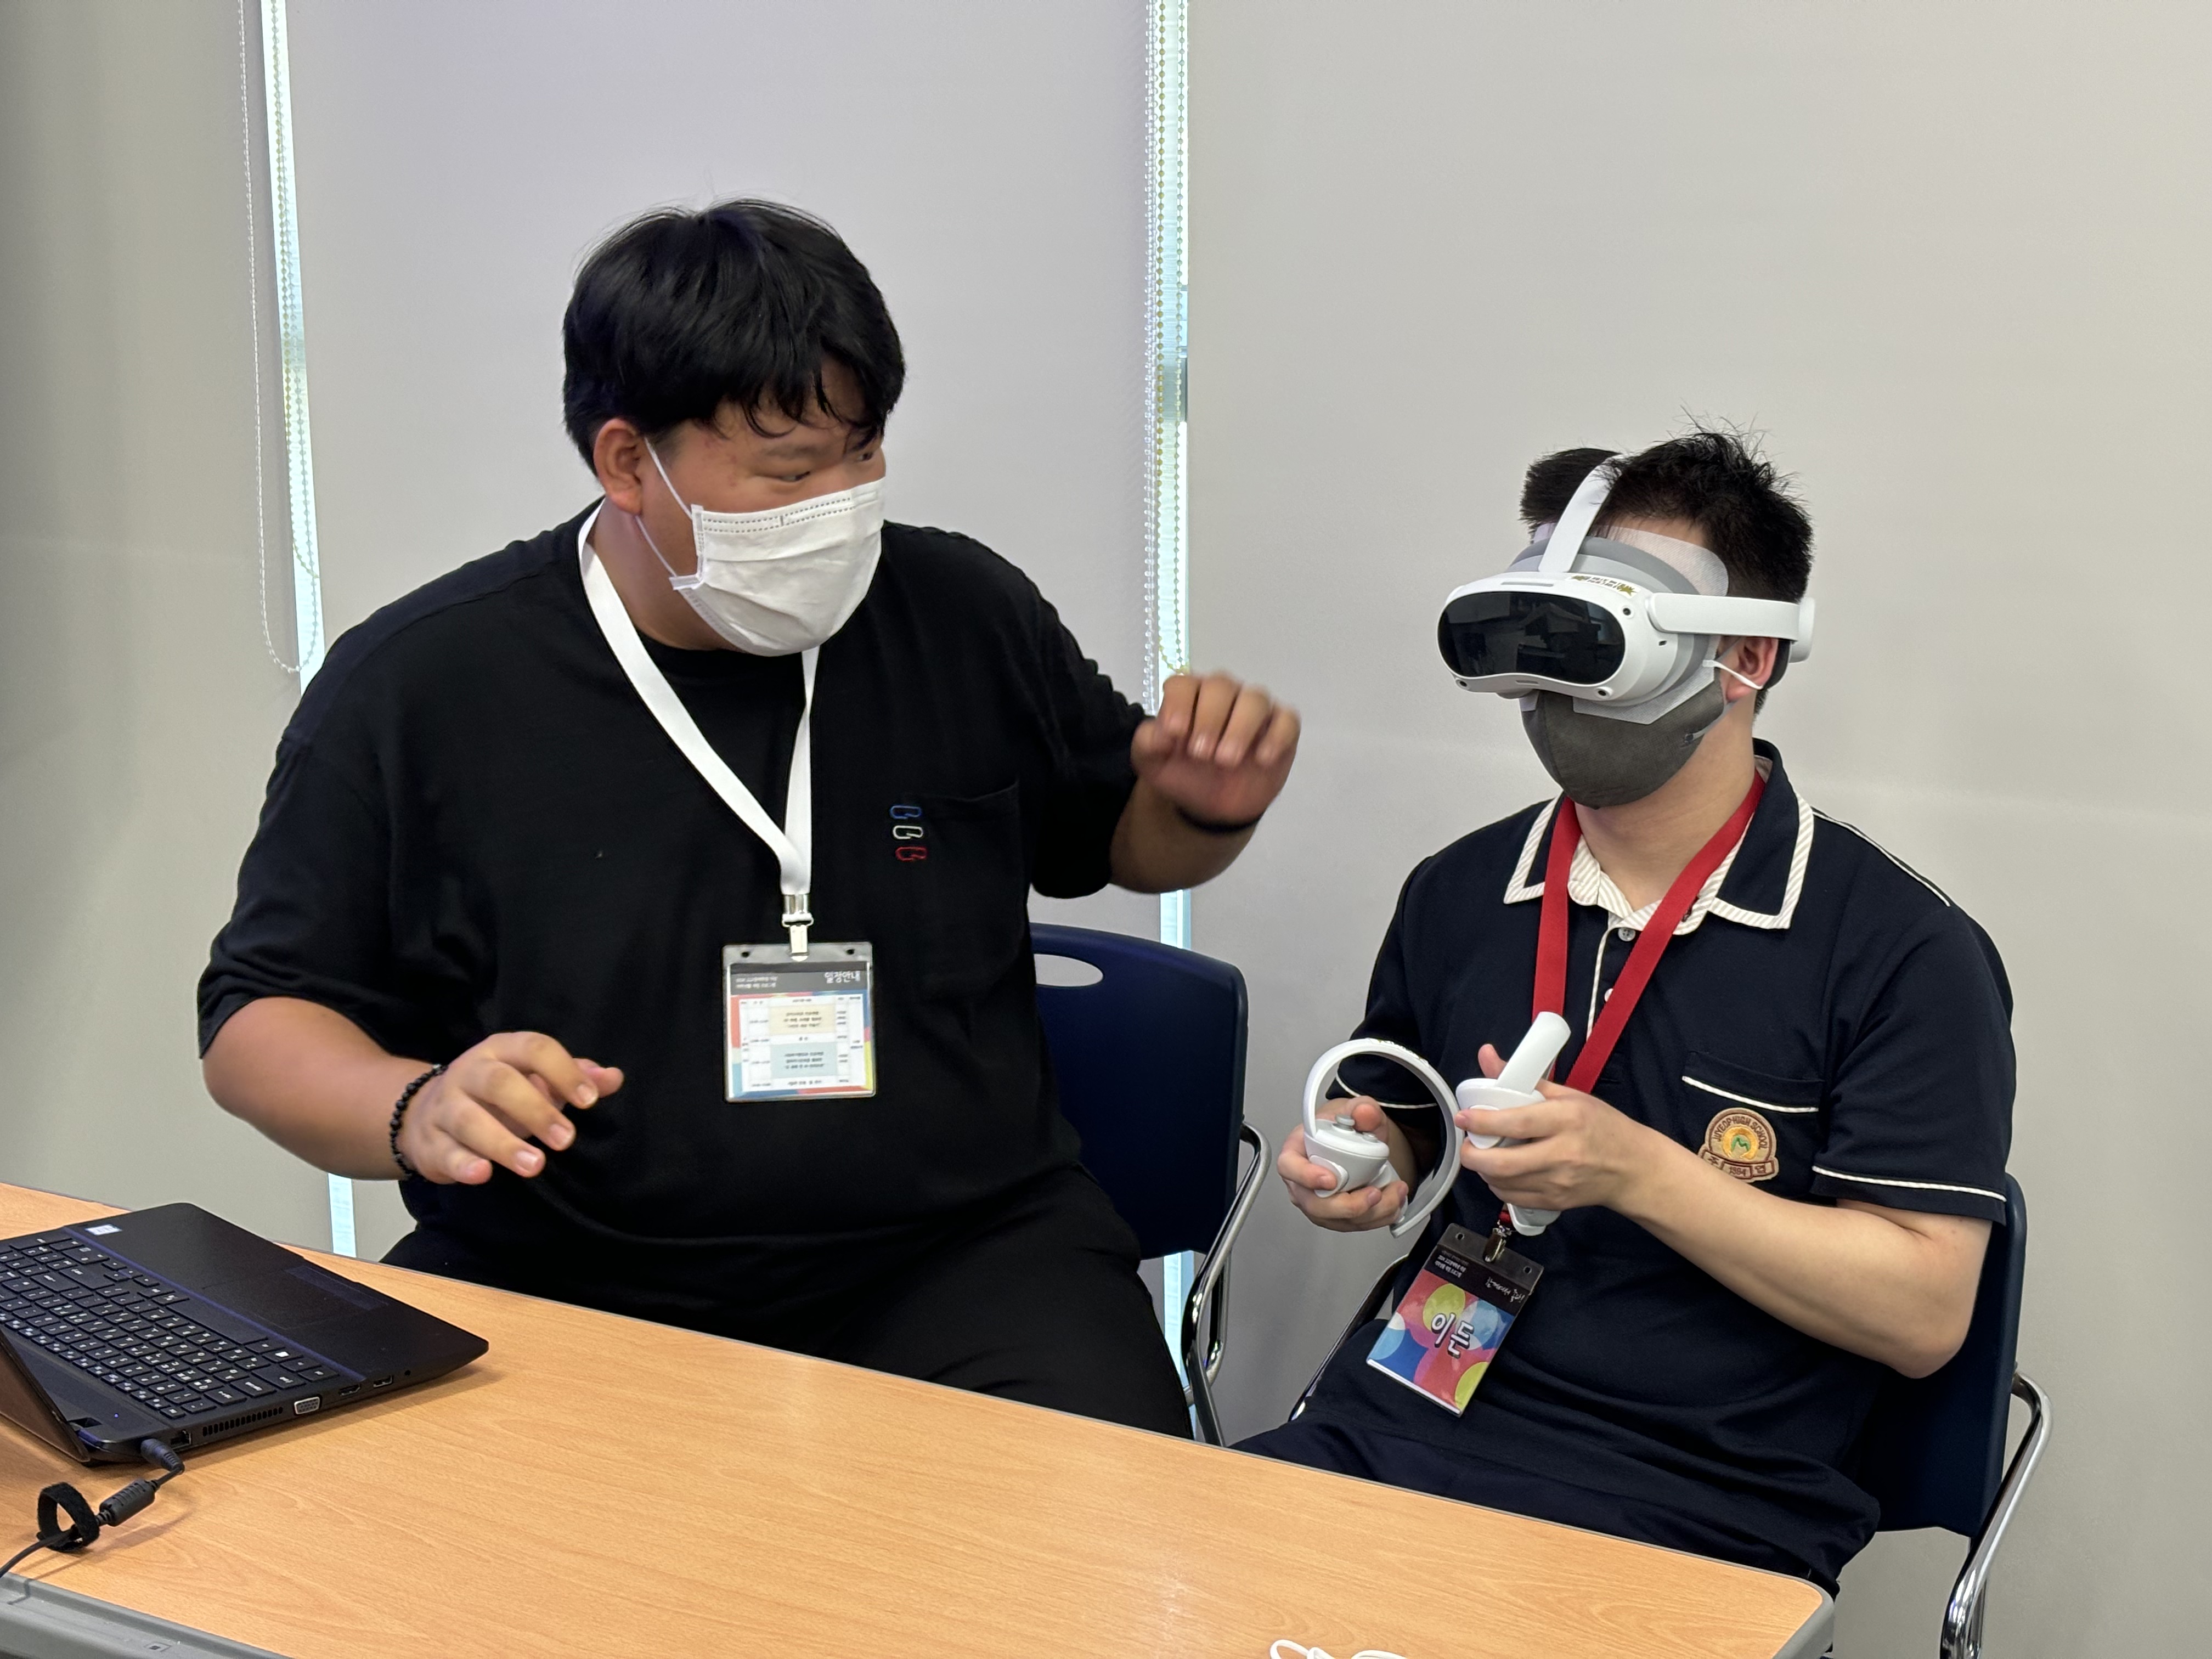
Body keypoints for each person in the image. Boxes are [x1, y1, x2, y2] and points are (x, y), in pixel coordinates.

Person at [199, 199, 1299, 1438]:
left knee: (1113, 1536)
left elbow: (1117, 842)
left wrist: (1201, 814)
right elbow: (257, 1018)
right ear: (629, 464)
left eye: (864, 453)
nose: (843, 500)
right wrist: (414, 1110)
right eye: (791, 472)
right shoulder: (423, 684)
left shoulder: (962, 612)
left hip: (963, 1258)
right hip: (567, 1266)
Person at [1245, 431, 2011, 1591]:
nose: (1557, 687)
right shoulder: (1461, 891)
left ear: (1747, 654)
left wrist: (1637, 1172)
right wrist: (1369, 1158)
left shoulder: (1902, 951)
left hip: (1702, 1496)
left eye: (1597, 636)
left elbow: (1922, 1315)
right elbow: (1403, 1110)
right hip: (1401, 1421)